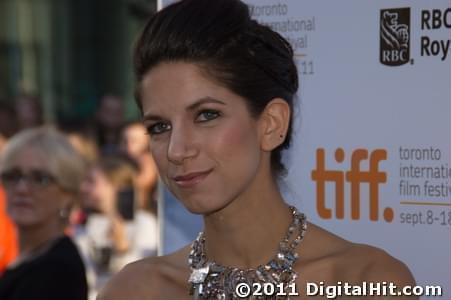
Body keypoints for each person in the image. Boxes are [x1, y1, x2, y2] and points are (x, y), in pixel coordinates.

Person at [98, 0, 416, 299]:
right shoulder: (135, 290)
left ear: (271, 124)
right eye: (159, 127)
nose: (176, 150)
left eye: (207, 115)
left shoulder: (365, 281)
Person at [0, 127, 88, 300]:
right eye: (13, 176)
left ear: (67, 194)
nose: (22, 188)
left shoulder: (58, 269)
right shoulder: (31, 259)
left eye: (40, 179)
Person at [77, 155, 158, 298]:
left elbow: (142, 280)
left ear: (116, 186)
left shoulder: (144, 224)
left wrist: (122, 249)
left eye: (92, 181)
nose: (83, 187)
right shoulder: (85, 225)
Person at [120, 122, 159, 213]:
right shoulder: (115, 164)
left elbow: (143, 184)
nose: (128, 146)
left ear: (147, 144)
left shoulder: (152, 164)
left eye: (134, 141)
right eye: (124, 141)